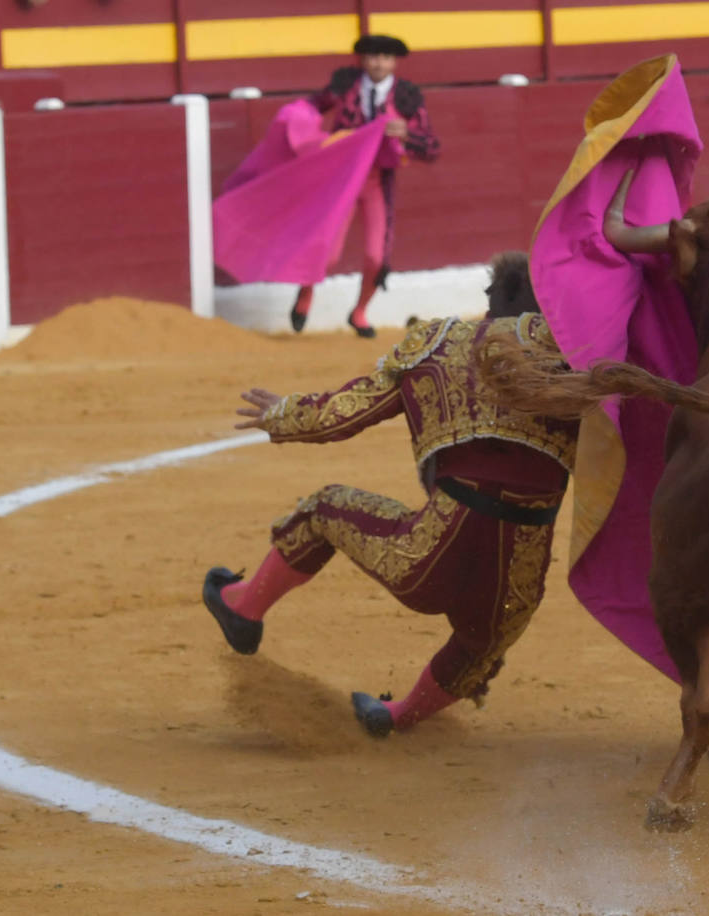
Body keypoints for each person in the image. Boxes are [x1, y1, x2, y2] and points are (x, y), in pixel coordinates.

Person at [202, 253, 578, 737]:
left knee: (322, 508)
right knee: (479, 647)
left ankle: (242, 608)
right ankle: (396, 716)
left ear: (491, 299)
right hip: (515, 590)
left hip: (425, 559)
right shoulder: (576, 367)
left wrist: (282, 413)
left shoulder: (439, 346)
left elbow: (344, 414)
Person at [289, 34, 441, 337]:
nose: (378, 63)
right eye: (373, 56)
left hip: (376, 181)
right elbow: (309, 109)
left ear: (394, 62)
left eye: (385, 57)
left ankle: (359, 312)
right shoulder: (346, 86)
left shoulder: (407, 96)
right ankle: (305, 293)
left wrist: (406, 134)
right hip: (341, 180)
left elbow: (432, 146)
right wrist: (309, 139)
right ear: (362, 59)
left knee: (376, 255)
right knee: (328, 252)